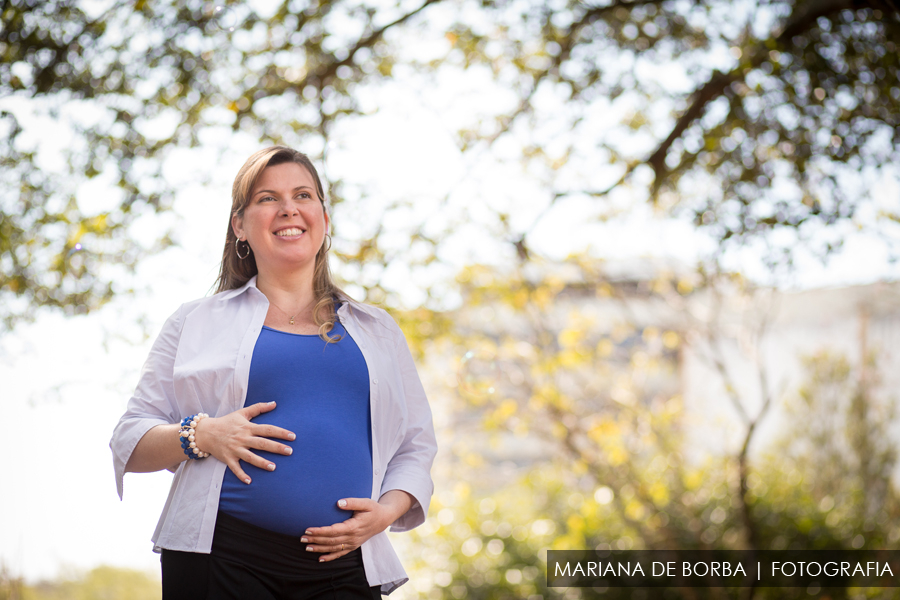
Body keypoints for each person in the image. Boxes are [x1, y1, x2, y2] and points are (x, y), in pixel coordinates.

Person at [109, 146, 437, 599]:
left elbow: (416, 446)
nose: (289, 208)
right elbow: (130, 439)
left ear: (323, 216)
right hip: (223, 557)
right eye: (267, 198)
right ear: (239, 225)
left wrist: (386, 512)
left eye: (303, 194)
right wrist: (202, 434)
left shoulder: (377, 329)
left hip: (345, 564)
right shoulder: (194, 322)